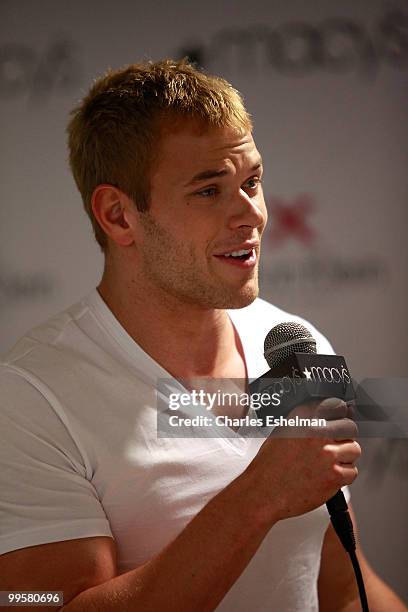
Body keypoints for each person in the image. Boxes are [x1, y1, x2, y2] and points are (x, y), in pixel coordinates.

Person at [0, 59, 405, 612]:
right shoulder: (30, 394)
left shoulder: (295, 342)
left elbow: (338, 587)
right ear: (119, 216)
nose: (253, 216)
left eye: (253, 181)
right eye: (209, 191)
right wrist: (257, 498)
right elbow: (40, 604)